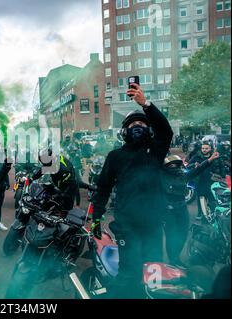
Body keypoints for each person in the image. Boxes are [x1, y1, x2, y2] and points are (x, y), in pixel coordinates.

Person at [91, 83, 173, 298]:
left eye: (142, 123)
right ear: (124, 131)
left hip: (153, 224)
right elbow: (103, 188)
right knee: (129, 273)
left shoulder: (155, 152)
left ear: (149, 130)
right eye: (133, 123)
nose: (138, 126)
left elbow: (166, 131)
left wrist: (146, 104)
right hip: (127, 226)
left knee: (153, 274)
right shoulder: (115, 156)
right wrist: (96, 218)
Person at [161, 152, 220, 266]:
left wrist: (210, 160)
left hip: (182, 208)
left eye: (177, 165)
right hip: (168, 210)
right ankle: (172, 261)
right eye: (172, 165)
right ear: (166, 168)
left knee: (183, 233)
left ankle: (176, 257)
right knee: (171, 235)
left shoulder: (183, 176)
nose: (175, 167)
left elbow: (197, 170)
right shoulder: (161, 177)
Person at [188, 142, 227, 220]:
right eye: (203, 148)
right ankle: (200, 213)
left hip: (213, 182)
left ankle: (213, 213)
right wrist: (193, 165)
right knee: (201, 198)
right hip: (200, 181)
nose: (204, 150)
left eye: (206, 148)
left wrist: (222, 177)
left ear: (210, 148)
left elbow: (222, 167)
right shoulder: (196, 157)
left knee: (213, 199)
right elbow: (188, 165)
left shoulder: (216, 156)